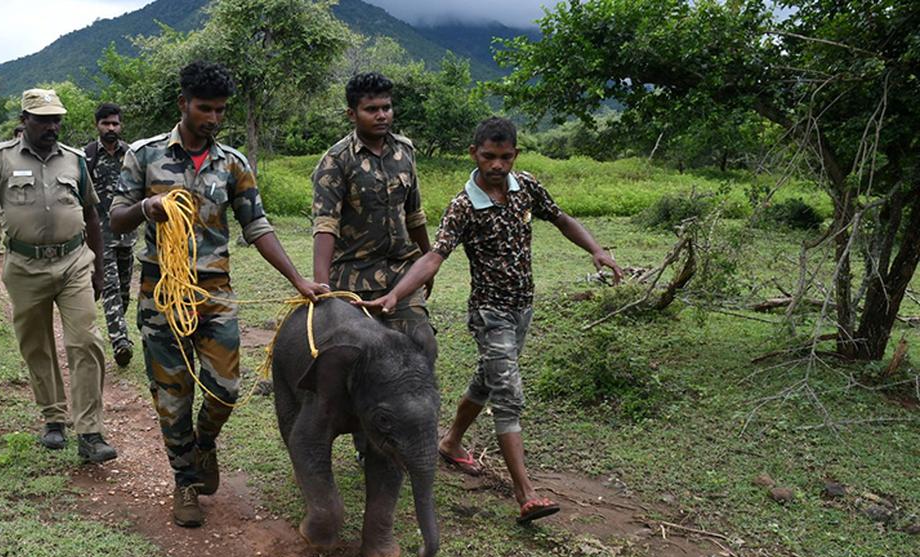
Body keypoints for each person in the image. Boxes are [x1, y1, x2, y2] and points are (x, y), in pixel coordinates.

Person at [360, 116, 624, 524]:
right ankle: (526, 493)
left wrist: (596, 249)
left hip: (524, 309)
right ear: (474, 154)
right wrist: (397, 292)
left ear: (515, 155)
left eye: (505, 157)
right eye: (488, 157)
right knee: (507, 396)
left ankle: (449, 443)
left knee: (487, 379)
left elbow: (561, 218)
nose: (497, 165)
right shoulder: (463, 206)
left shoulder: (527, 187)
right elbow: (435, 255)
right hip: (490, 313)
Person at [110, 61, 325, 527]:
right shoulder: (144, 156)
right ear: (182, 103)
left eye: (220, 111)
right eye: (204, 108)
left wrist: (299, 280)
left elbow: (257, 226)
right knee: (172, 397)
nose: (212, 118)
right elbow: (116, 218)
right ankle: (185, 480)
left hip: (216, 293)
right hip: (161, 293)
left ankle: (203, 447)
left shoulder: (233, 163)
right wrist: (148, 207)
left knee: (225, 390)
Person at [0, 88, 117, 464]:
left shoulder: (76, 160)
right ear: (25, 120)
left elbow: (92, 216)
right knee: (36, 344)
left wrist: (97, 267)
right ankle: (54, 417)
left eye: (57, 119)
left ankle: (91, 432)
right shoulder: (0, 158)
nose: (53, 126)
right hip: (24, 265)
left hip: (74, 262)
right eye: (44, 119)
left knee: (85, 342)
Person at [311, 72, 437, 361]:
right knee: (361, 359)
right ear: (352, 114)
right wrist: (324, 290)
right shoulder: (336, 161)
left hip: (401, 273)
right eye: (372, 110)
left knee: (423, 345)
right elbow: (325, 226)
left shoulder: (405, 151)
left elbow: (414, 214)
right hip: (353, 279)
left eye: (386, 107)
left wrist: (428, 262)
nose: (381, 115)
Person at [84, 103, 135, 368]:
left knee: (125, 292)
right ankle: (120, 343)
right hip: (100, 235)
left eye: (115, 123)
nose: (111, 128)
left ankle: (117, 326)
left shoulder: (132, 155)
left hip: (128, 234)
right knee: (111, 287)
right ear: (98, 125)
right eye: (106, 124)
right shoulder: (87, 156)